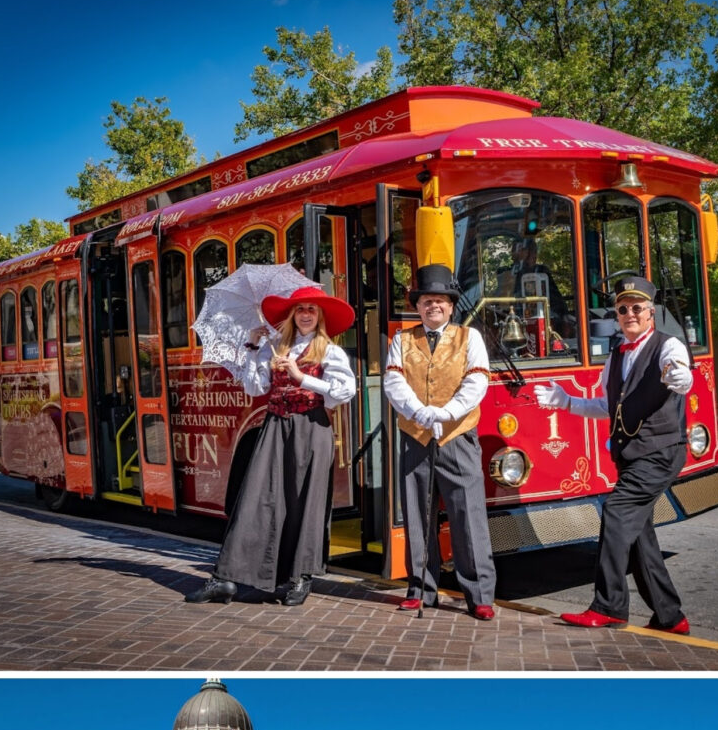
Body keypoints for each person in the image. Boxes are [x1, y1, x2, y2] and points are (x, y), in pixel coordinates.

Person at [534, 276, 693, 633]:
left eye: (637, 308)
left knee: (618, 512)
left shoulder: (669, 347)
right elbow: (606, 406)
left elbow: (681, 375)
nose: (629, 314)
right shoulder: (617, 356)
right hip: (632, 455)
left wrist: (679, 377)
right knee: (639, 534)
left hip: (661, 452)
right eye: (623, 309)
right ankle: (671, 615)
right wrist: (567, 402)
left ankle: (609, 607)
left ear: (650, 312)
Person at [185, 286, 356, 607]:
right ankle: (225, 579)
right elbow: (255, 386)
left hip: (312, 427)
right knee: (255, 498)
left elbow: (345, 391)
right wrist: (252, 345)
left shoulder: (330, 351)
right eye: (300, 309)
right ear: (292, 316)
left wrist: (300, 377)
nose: (306, 314)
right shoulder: (275, 347)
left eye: (312, 310)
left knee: (306, 501)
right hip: (275, 425)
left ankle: (300, 577)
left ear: (319, 317)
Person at [383, 264, 497, 620]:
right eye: (427, 301)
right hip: (415, 436)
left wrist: (446, 413)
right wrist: (420, 412)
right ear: (418, 307)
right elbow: (393, 382)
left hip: (457, 434)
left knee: (468, 513)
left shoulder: (469, 337)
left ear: (451, 306)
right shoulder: (401, 340)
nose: (434, 306)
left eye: (441, 301)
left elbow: (477, 380)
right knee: (417, 514)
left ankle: (479, 595)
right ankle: (420, 589)